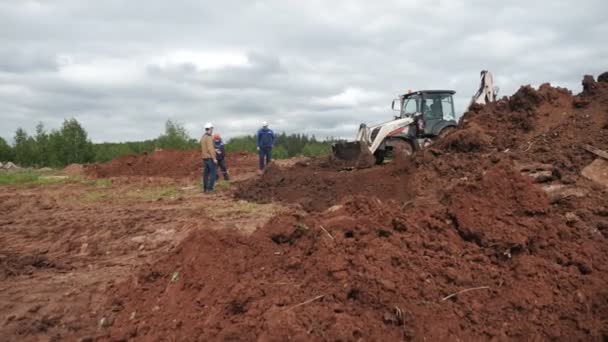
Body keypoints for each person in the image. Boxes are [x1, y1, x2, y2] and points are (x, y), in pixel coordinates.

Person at [200, 122, 217, 193]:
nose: (213, 129)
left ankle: (205, 188)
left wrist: (214, 149)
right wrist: (214, 158)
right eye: (212, 128)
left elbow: (206, 147)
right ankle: (210, 189)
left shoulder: (203, 137)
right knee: (213, 173)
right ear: (210, 128)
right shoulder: (209, 137)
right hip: (210, 158)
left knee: (206, 174)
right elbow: (210, 148)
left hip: (204, 157)